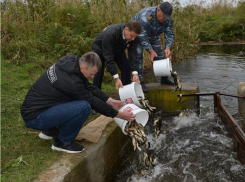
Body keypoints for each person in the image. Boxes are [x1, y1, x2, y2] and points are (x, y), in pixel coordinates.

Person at [20, 52, 135, 153]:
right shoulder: (71, 83)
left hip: (40, 108)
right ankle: (62, 142)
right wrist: (118, 114)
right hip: (34, 117)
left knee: (73, 98)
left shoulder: (71, 62)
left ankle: (49, 130)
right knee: (84, 106)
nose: (93, 76)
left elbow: (88, 86)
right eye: (92, 74)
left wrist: (110, 101)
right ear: (83, 68)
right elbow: (92, 101)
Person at [131, 2, 175, 92]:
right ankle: (140, 82)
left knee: (160, 55)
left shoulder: (168, 20)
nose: (164, 19)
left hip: (154, 35)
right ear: (158, 9)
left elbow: (169, 34)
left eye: (166, 17)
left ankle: (164, 78)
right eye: (163, 16)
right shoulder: (145, 16)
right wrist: (150, 51)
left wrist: (168, 47)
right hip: (137, 34)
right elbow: (142, 37)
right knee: (138, 58)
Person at [92, 20, 141, 90]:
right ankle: (96, 95)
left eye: (135, 37)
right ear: (126, 29)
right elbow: (108, 57)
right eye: (132, 36)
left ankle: (126, 92)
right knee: (99, 72)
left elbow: (133, 54)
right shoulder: (110, 33)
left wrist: (135, 73)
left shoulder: (134, 37)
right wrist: (116, 78)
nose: (133, 39)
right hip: (101, 49)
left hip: (117, 49)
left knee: (126, 67)